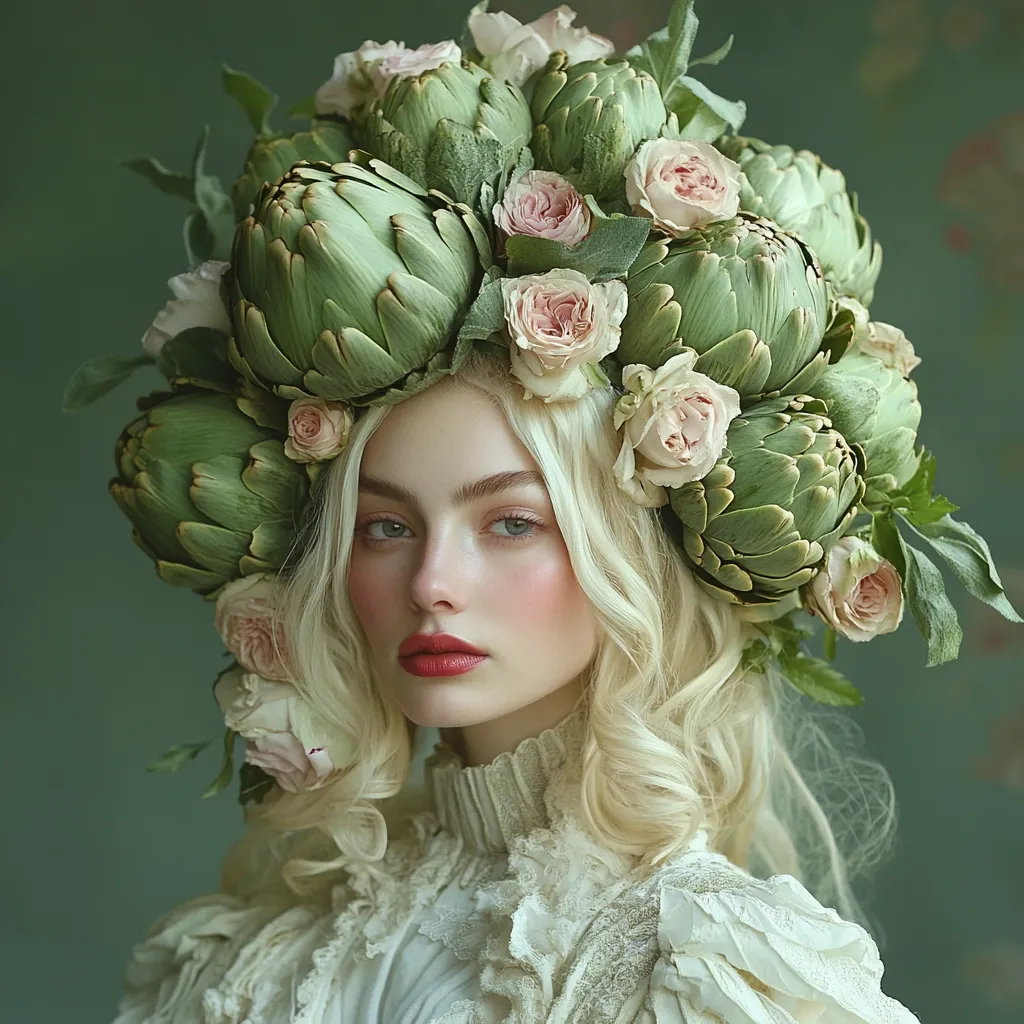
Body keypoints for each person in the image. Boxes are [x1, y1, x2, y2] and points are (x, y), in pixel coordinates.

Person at [61, 2, 1016, 1020]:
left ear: (631, 544)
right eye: (386, 525)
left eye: (509, 521)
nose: (431, 582)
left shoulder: (702, 970)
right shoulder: (262, 948)